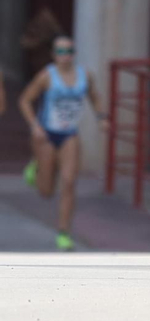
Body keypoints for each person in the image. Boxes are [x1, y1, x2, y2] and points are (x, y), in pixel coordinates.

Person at [17, 36, 106, 250]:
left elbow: (94, 96)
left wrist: (102, 117)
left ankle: (64, 232)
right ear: (54, 55)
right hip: (46, 135)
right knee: (46, 191)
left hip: (69, 135)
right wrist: (35, 126)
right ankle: (36, 165)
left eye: (69, 51)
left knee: (68, 182)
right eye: (60, 51)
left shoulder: (85, 76)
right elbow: (25, 100)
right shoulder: (47, 76)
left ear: (74, 54)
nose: (65, 56)